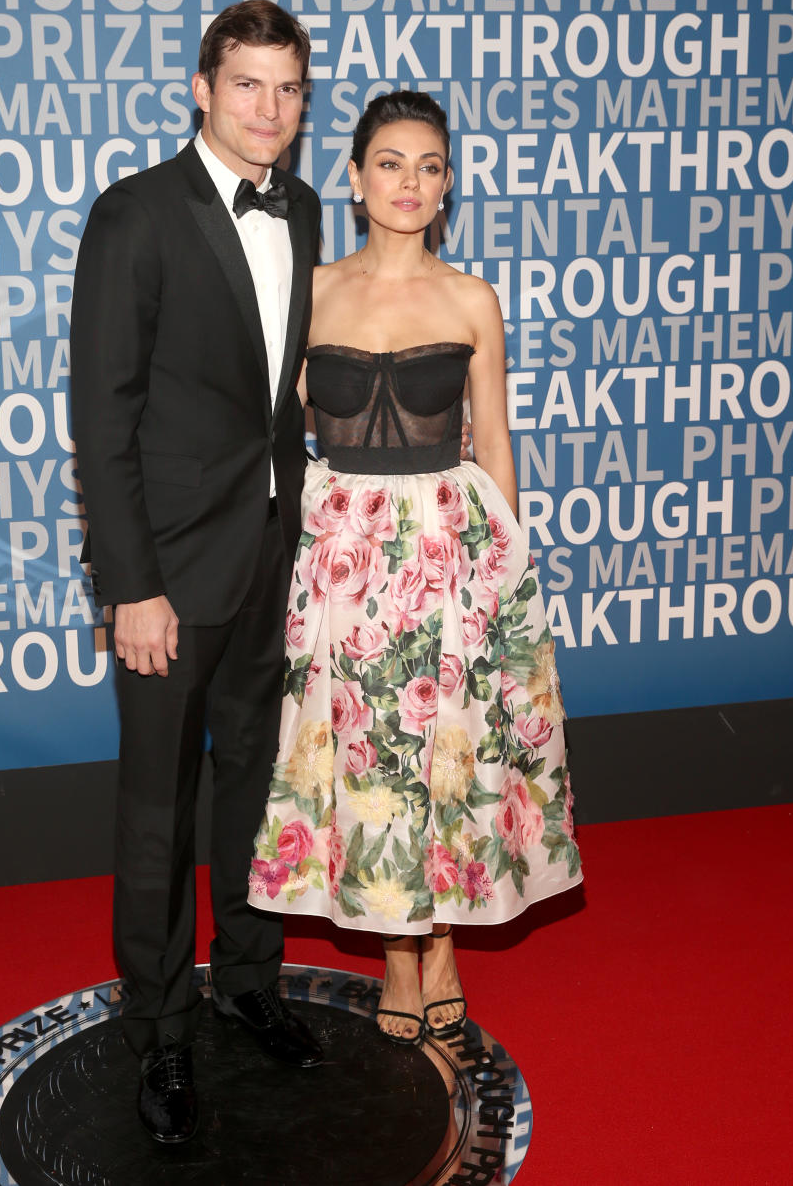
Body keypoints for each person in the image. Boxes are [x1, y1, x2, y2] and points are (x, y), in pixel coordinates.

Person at [248, 90, 582, 1044]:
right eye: (389, 162)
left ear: (447, 185)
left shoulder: (472, 298)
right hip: (343, 550)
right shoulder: (309, 289)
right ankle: (399, 950)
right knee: (365, 752)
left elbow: (497, 438)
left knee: (445, 752)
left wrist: (507, 569)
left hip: (449, 544)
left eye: (429, 165)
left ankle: (436, 940)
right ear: (353, 179)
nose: (410, 182)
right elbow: (277, 424)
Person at [70, 0, 324, 1145]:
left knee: (255, 788)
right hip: (169, 575)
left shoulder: (308, 210)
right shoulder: (135, 216)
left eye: (288, 90)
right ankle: (161, 1031)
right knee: (156, 812)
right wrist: (131, 584)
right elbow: (103, 414)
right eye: (247, 86)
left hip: (273, 557)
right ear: (200, 87)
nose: (268, 110)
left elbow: (276, 398)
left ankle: (250, 978)